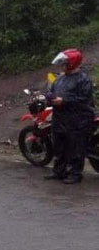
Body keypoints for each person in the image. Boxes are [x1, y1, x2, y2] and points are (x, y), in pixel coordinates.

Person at [44, 49, 94, 184]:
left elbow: (84, 100)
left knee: (75, 148)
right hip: (60, 118)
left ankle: (75, 173)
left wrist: (64, 101)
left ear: (71, 63)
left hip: (77, 119)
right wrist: (50, 99)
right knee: (59, 147)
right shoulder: (60, 79)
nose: (62, 66)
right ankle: (59, 171)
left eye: (64, 63)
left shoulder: (83, 80)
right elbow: (52, 92)